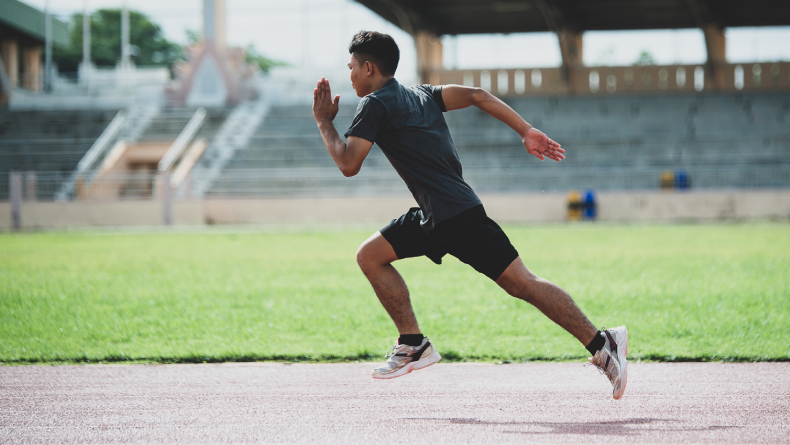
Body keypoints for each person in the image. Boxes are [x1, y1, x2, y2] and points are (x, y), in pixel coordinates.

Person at [312, 31, 628, 399]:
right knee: (370, 256)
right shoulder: (423, 94)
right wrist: (525, 130)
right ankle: (413, 343)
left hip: (456, 216)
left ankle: (602, 343)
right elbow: (478, 95)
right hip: (437, 215)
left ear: (368, 68)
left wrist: (324, 122)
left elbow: (349, 163)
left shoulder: (375, 104)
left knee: (521, 283)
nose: (349, 75)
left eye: (351, 67)